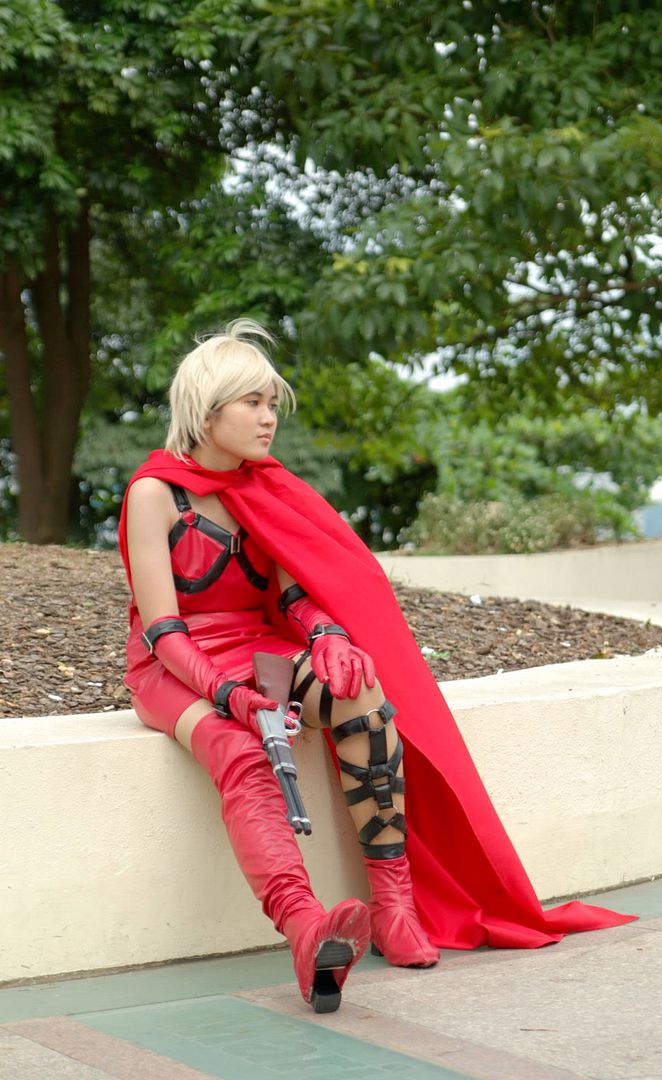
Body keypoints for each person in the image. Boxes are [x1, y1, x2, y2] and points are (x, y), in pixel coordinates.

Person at [118, 319, 635, 1014]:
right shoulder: (153, 493)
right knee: (242, 749)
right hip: (175, 670)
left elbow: (293, 594)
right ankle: (306, 930)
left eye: (272, 404)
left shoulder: (263, 488)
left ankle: (395, 907)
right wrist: (232, 697)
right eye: (254, 403)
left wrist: (328, 634)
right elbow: (162, 632)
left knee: (359, 692)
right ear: (208, 409)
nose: (270, 418)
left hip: (256, 650)